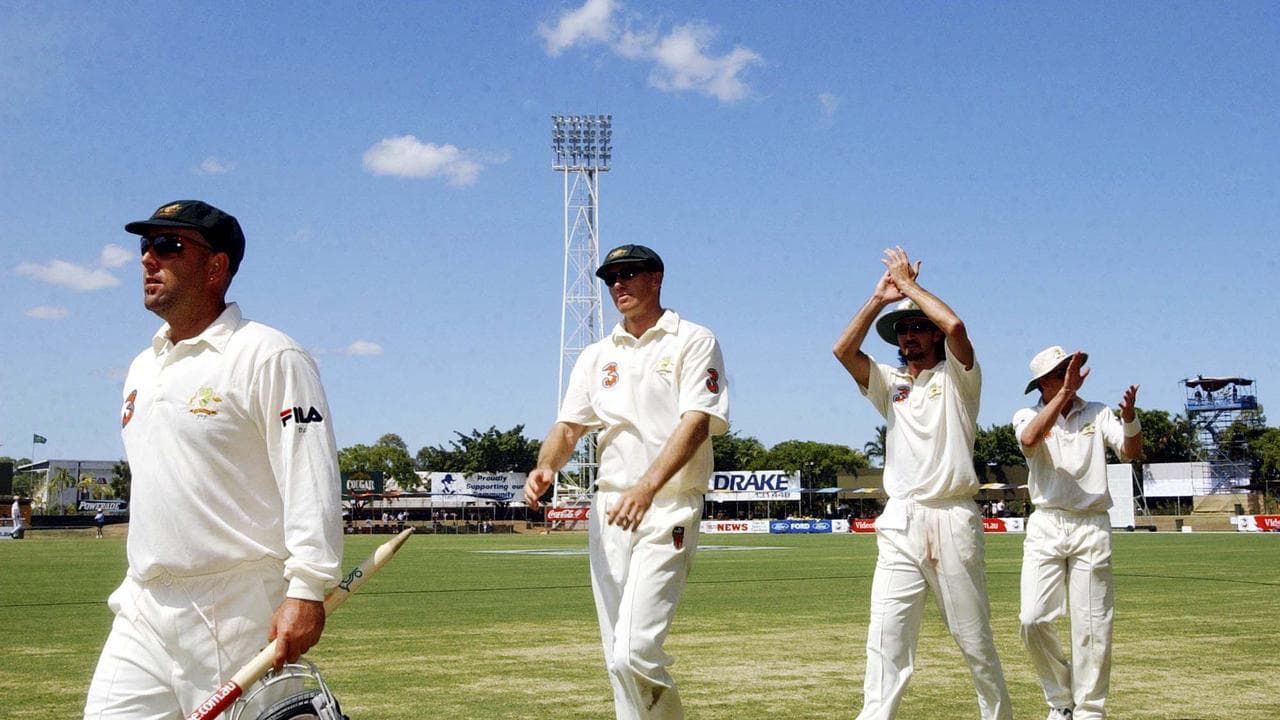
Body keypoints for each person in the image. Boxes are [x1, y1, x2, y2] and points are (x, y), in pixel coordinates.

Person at [85, 200, 343, 718]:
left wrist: (308, 589)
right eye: (145, 246)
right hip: (145, 602)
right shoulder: (142, 365)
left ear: (215, 266)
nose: (147, 259)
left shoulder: (269, 354)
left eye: (167, 246)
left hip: (237, 606)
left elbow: (310, 477)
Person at [524, 244, 730, 719]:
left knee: (633, 651)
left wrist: (646, 487)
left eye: (629, 274)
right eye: (610, 277)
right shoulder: (598, 355)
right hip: (610, 507)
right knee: (614, 652)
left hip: (669, 504)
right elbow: (569, 426)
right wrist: (546, 465)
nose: (618, 284)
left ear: (656, 279)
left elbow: (697, 421)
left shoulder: (693, 340)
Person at [832, 247, 1012, 720]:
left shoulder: (959, 378)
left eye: (917, 327)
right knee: (885, 639)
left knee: (973, 639)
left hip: (951, 515)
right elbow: (843, 351)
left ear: (931, 335)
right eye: (904, 329)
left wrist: (908, 288)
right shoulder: (890, 384)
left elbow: (956, 327)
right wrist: (879, 298)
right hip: (901, 519)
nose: (910, 336)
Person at [1013, 347, 1142, 720]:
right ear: (1042, 382)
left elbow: (1130, 452)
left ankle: (1088, 709)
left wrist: (1130, 419)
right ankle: (1060, 699)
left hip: (1091, 524)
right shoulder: (1027, 414)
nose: (1071, 374)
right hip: (1047, 522)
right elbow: (1030, 440)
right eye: (1061, 372)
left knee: (1092, 624)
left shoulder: (1098, 412)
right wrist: (1065, 395)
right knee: (1032, 618)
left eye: (1070, 368)